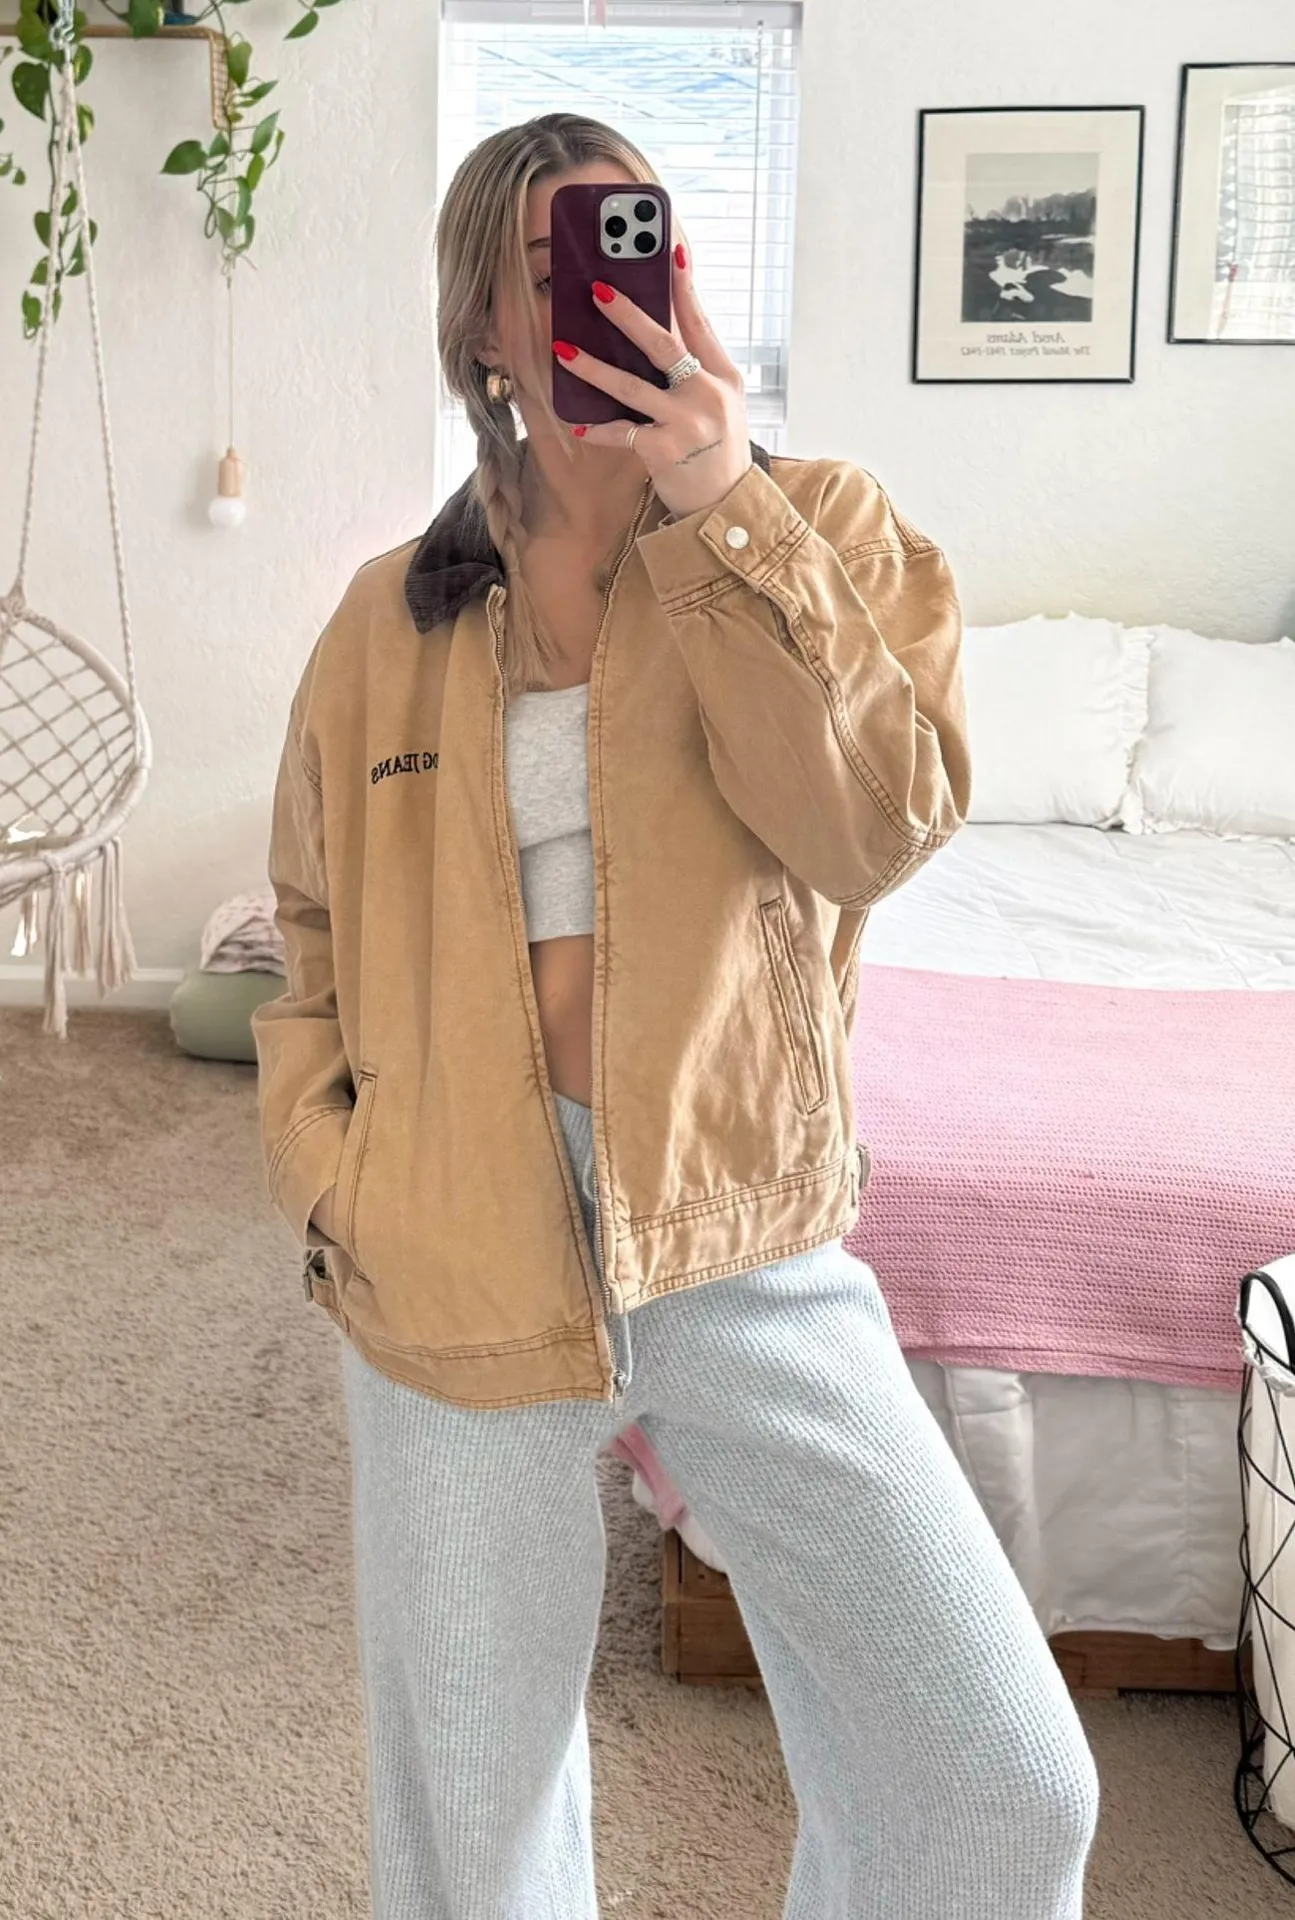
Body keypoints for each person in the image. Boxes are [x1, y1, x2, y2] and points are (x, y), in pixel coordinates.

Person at [251, 112, 1099, 1920]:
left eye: (642, 248)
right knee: (473, 1846)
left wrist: (721, 506)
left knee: (999, 1783)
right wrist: (338, 1176)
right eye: (551, 267)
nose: (611, 298)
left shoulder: (820, 530)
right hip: (455, 1246)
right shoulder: (385, 622)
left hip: (739, 1231)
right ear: (485, 329)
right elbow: (306, 926)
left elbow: (872, 833)